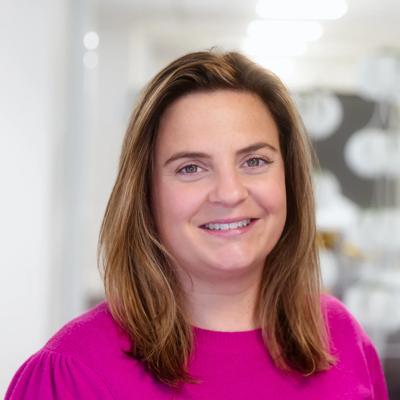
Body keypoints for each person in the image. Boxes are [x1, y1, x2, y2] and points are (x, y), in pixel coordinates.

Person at [6, 50, 388, 399]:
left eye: (254, 161)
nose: (229, 193)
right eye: (191, 167)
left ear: (289, 179)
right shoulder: (72, 372)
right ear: (146, 195)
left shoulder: (342, 338)